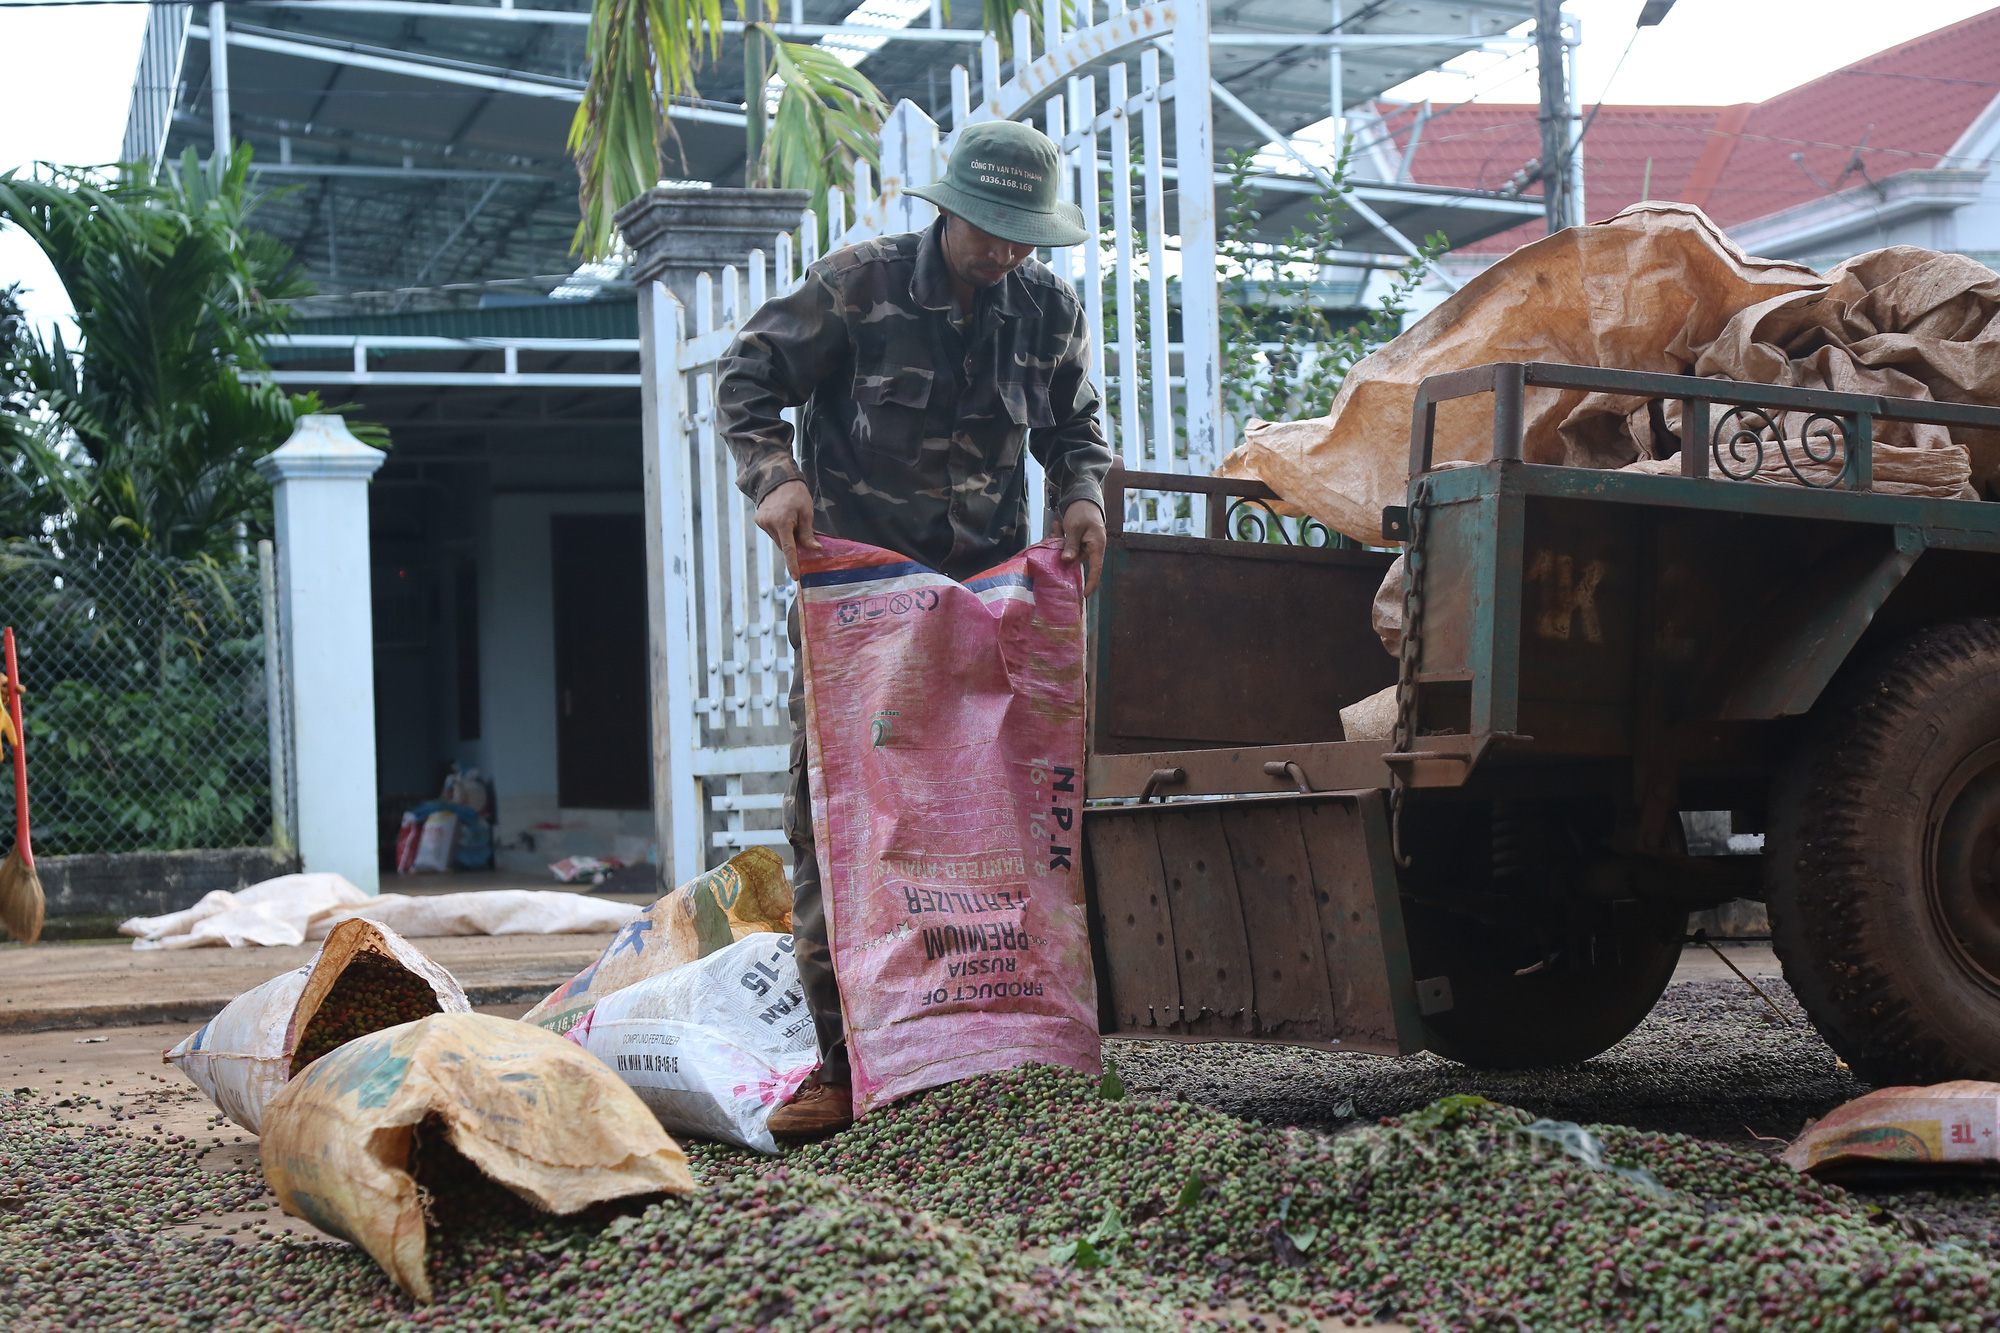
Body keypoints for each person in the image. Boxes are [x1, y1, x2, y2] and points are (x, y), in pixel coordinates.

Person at [716, 120, 1114, 1137]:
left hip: (985, 608)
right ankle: (846, 1068)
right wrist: (777, 478)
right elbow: (747, 379)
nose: (1007, 253)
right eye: (992, 232)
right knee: (849, 825)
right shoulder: (858, 286)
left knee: (995, 819)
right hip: (865, 613)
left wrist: (1079, 496)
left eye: (1025, 236)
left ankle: (996, 1048)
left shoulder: (1044, 307)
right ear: (948, 210)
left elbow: (1076, 428)